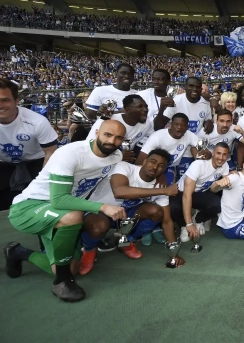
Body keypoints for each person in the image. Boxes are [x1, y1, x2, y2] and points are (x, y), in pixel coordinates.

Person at [4, 120, 127, 302]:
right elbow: (59, 199)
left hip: (59, 211)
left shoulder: (116, 156)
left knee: (72, 268)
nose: (112, 141)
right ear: (97, 133)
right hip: (29, 206)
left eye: (118, 138)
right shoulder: (71, 153)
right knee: (73, 216)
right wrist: (103, 207)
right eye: (108, 135)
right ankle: (61, 282)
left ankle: (18, 252)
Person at [79, 149, 180, 274]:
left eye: (161, 166)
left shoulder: (160, 186)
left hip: (126, 215)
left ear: (164, 170)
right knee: (98, 227)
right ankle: (89, 250)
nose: (155, 167)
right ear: (144, 161)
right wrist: (163, 191)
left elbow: (167, 221)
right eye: (152, 162)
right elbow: (119, 192)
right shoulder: (125, 167)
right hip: (100, 211)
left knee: (157, 212)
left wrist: (174, 253)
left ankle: (125, 240)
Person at [0, 79, 58, 212]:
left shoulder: (37, 122)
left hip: (36, 164)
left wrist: (43, 182)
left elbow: (51, 153)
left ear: (16, 101)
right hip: (3, 165)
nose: (0, 105)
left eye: (5, 100)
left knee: (36, 205)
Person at [153, 77, 214, 179]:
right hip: (175, 147)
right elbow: (158, 126)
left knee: (189, 179)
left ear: (201, 89)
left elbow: (207, 120)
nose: (194, 89)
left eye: (197, 87)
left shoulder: (205, 103)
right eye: (191, 86)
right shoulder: (176, 101)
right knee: (169, 180)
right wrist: (162, 109)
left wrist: (209, 121)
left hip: (193, 149)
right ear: (185, 87)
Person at [171, 143, 232, 241]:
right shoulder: (198, 165)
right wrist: (189, 224)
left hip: (200, 193)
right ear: (213, 153)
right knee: (172, 208)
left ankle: (199, 218)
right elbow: (187, 195)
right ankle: (183, 225)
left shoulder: (225, 165)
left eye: (224, 154)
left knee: (219, 204)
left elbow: (216, 189)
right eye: (218, 153)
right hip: (181, 192)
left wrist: (221, 183)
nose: (221, 158)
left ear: (227, 156)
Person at [86, 94, 151, 163]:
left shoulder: (147, 125)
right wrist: (117, 157)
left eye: (146, 106)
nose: (145, 109)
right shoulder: (107, 121)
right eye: (140, 106)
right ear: (128, 109)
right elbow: (89, 148)